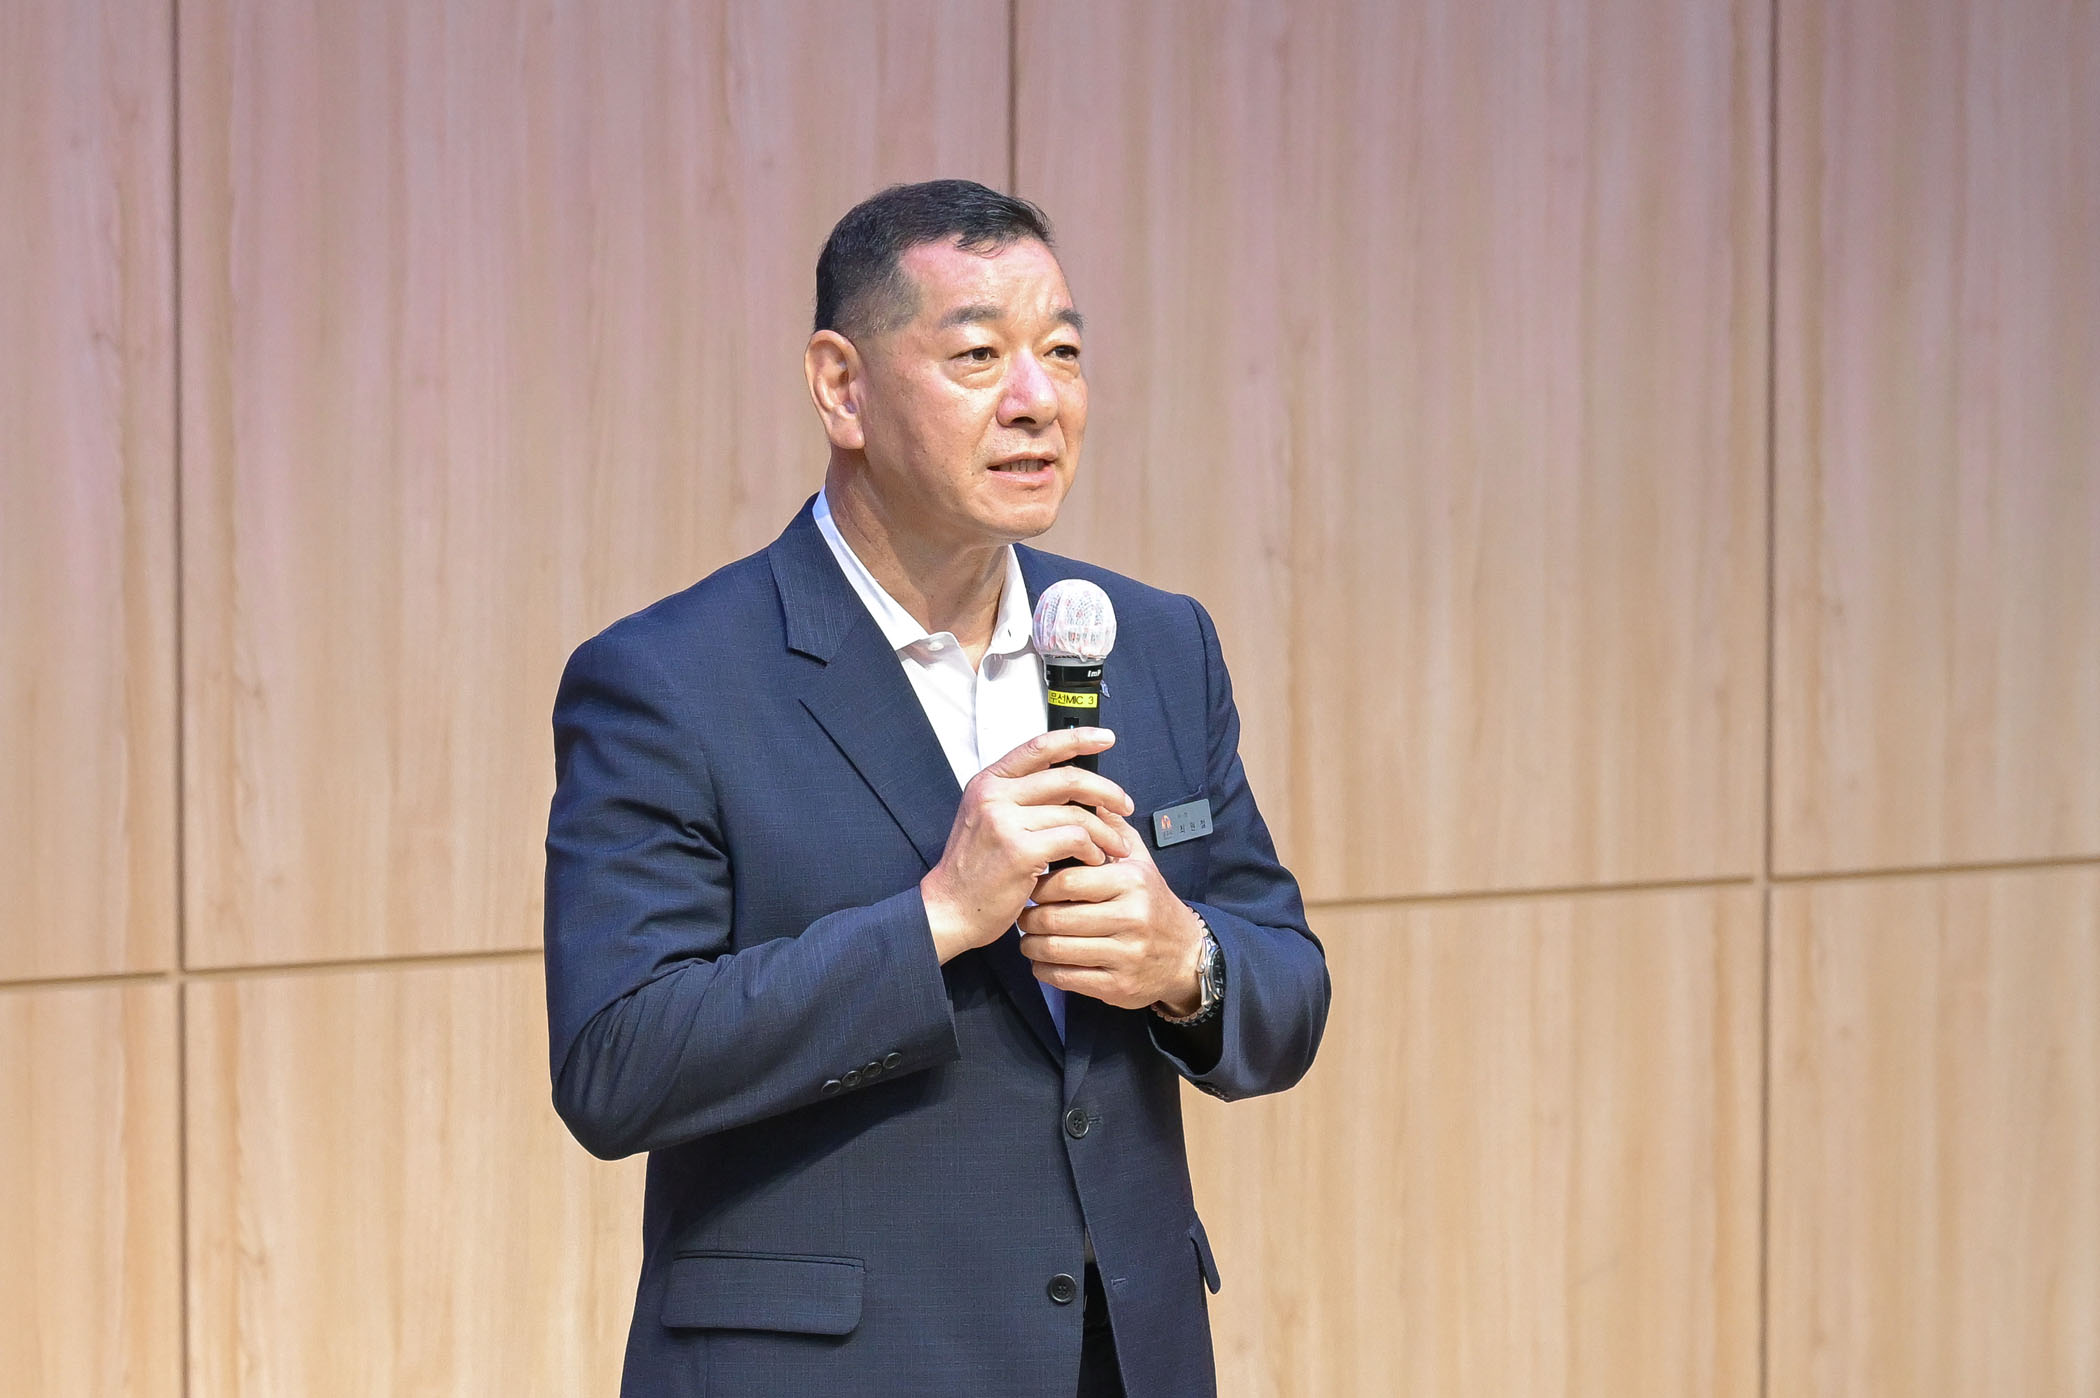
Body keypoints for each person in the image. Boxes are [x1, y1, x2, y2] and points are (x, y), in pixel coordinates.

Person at [544, 179, 1330, 1398]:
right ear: (841, 387)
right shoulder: (671, 681)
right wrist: (935, 921)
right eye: (978, 355)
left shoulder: (1157, 644)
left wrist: (1187, 963)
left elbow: (1288, 983)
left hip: (1122, 1361)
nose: (1037, 400)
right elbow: (617, 1062)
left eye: (1062, 352)